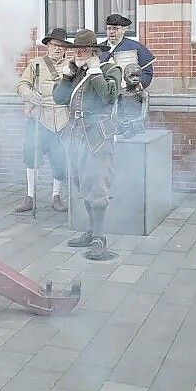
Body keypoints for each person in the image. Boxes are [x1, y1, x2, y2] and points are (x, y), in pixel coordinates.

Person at [53, 29, 122, 260]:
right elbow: (59, 97)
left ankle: (99, 237)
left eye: (82, 50)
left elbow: (108, 97)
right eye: (75, 50)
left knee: (97, 184)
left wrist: (94, 70)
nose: (78, 54)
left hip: (97, 136)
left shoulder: (110, 70)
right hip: (76, 136)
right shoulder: (76, 72)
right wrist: (67, 74)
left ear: (94, 51)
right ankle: (91, 231)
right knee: (82, 184)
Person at [15, 28, 70, 213]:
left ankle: (56, 196)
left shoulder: (72, 65)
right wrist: (29, 95)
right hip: (39, 117)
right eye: (54, 45)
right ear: (48, 45)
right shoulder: (35, 64)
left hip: (63, 118)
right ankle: (30, 197)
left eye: (61, 46)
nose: (57, 49)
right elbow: (22, 85)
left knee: (60, 159)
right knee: (31, 156)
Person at [99, 14, 155, 89]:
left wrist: (138, 86)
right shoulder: (99, 49)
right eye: (109, 28)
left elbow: (147, 71)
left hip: (128, 93)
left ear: (124, 30)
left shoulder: (136, 47)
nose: (111, 32)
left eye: (115, 29)